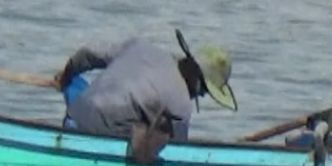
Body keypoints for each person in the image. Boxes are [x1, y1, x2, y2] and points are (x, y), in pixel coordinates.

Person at [56, 29, 237, 145]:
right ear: (198, 81)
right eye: (204, 91)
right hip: (95, 136)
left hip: (73, 116)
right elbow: (176, 153)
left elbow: (88, 54)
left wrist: (67, 75)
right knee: (153, 135)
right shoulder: (180, 104)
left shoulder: (139, 46)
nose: (201, 96)